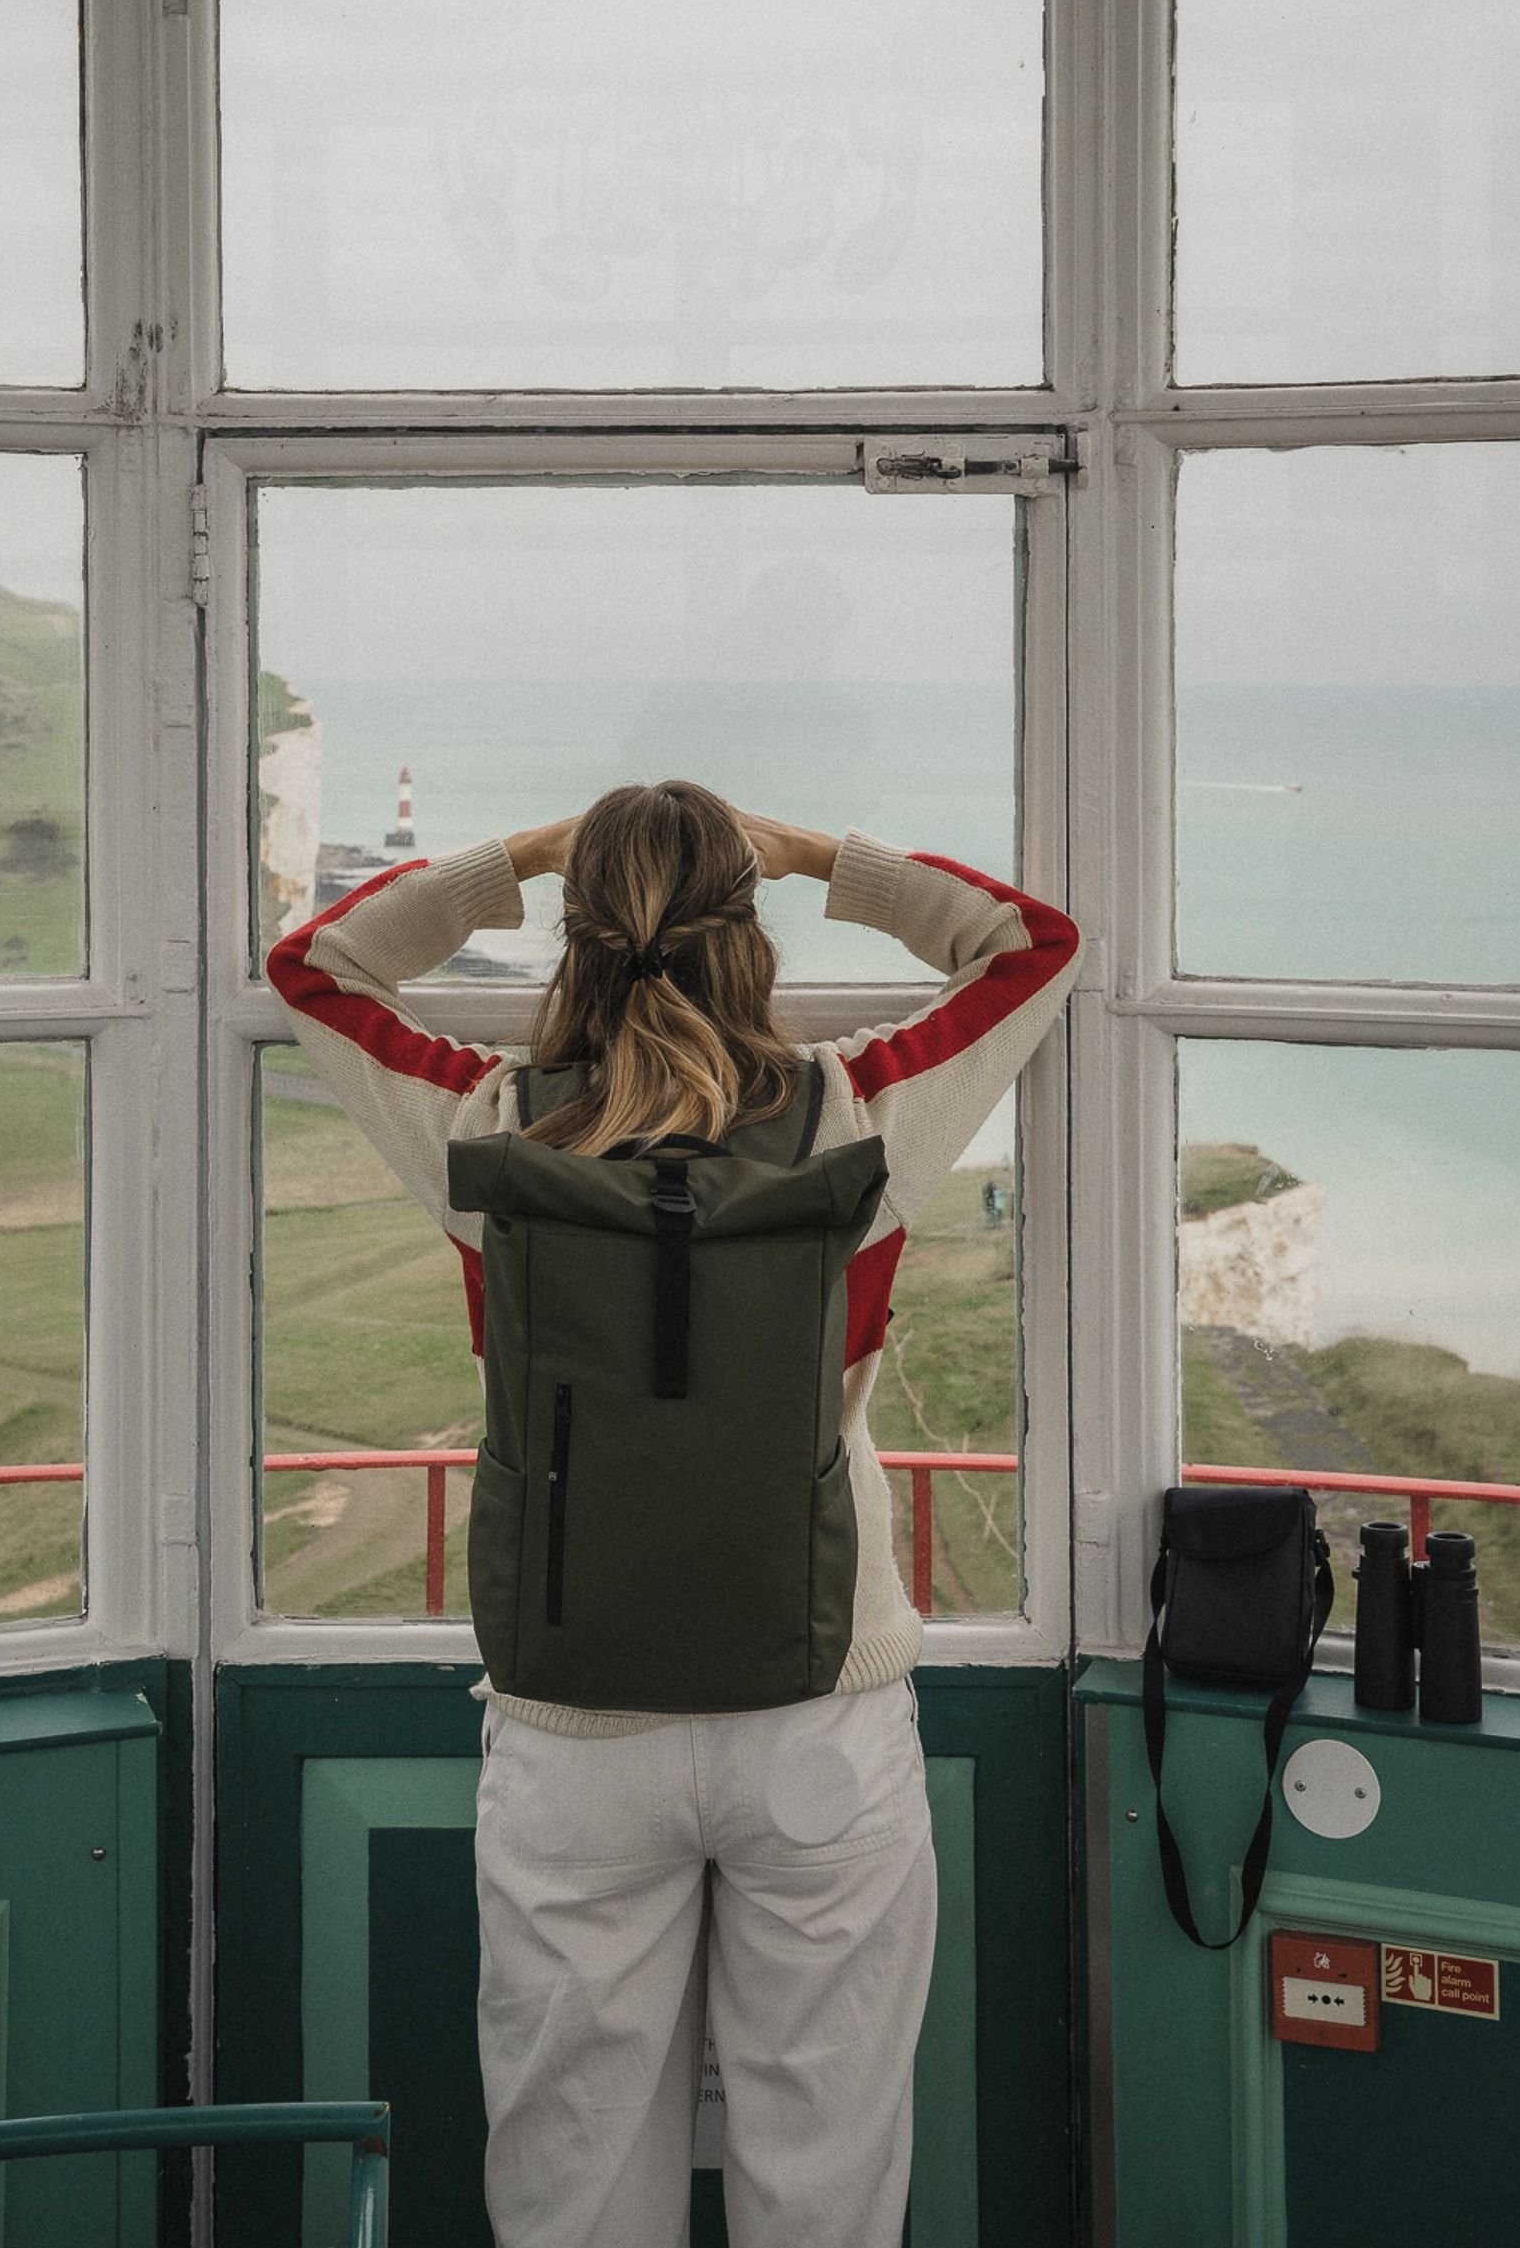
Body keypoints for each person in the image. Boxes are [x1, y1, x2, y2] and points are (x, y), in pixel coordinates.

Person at [268, 782, 1081, 2248]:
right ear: (746, 934)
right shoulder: (859, 1116)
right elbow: (1031, 949)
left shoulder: (493, 1132)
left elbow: (314, 968)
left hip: (577, 1733)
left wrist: (516, 855)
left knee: (574, 2186)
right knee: (823, 2173)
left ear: (576, 937)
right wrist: (827, 854)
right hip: (815, 1720)